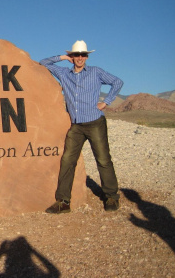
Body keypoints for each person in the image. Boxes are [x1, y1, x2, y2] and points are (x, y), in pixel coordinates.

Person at [40, 40, 123, 214]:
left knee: (103, 160)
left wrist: (106, 102)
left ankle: (111, 197)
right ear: (72, 56)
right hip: (76, 125)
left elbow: (117, 82)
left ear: (87, 57)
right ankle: (63, 201)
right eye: (76, 54)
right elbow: (44, 63)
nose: (79, 58)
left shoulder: (95, 72)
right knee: (68, 160)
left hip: (95, 122)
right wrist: (63, 57)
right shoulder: (64, 73)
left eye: (83, 55)